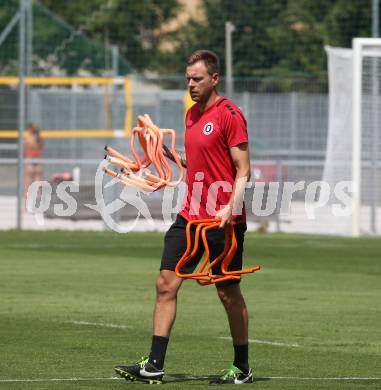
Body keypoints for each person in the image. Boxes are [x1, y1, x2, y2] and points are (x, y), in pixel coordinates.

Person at [115, 50, 253, 385]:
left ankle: (242, 368)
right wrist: (162, 151)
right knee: (165, 284)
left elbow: (243, 171)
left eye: (197, 78)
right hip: (189, 216)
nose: (190, 84)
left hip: (223, 221)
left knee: (227, 292)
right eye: (188, 78)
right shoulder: (191, 115)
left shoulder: (229, 114)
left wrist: (229, 208)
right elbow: (198, 164)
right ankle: (154, 365)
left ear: (214, 79)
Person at [24, 123, 44, 204]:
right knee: (38, 184)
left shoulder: (28, 139)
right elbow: (41, 149)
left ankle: (26, 205)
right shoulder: (40, 139)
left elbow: (24, 149)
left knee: (27, 185)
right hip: (38, 160)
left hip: (29, 160)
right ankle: (38, 204)